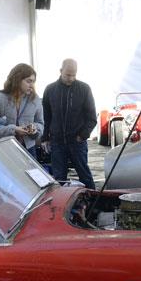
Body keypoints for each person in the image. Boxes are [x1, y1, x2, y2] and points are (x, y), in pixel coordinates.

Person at [42, 59, 97, 189]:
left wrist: (82, 135)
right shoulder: (50, 90)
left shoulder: (84, 89)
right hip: (57, 142)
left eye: (74, 75)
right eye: (68, 75)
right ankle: (59, 206)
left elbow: (92, 117)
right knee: (59, 178)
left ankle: (94, 204)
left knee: (85, 175)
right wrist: (45, 138)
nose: (71, 78)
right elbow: (46, 116)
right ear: (61, 71)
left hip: (77, 142)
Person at [0, 63, 44, 159]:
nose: (32, 85)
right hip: (5, 151)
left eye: (33, 82)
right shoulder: (0, 99)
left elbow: (40, 123)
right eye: (29, 81)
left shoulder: (35, 99)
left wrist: (35, 129)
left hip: (29, 150)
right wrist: (13, 130)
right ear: (17, 79)